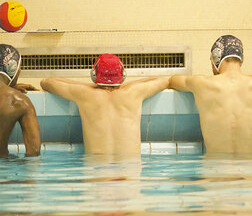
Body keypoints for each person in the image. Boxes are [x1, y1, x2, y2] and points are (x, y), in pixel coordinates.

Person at [169, 35, 252, 154]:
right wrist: (250, 77)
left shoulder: (201, 83)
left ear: (216, 57)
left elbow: (173, 81)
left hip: (215, 171)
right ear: (241, 59)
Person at [40, 54, 170, 155]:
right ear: (123, 74)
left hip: (97, 169)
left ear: (94, 75)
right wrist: (124, 85)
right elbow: (163, 80)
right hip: (130, 171)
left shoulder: (85, 93)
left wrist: (91, 85)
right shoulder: (133, 92)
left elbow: (47, 82)